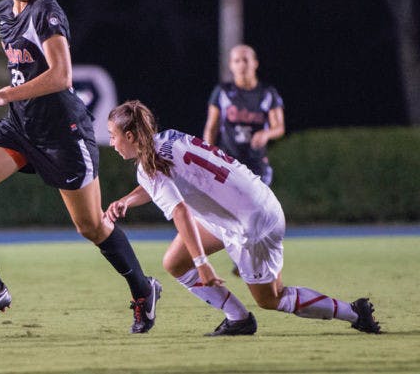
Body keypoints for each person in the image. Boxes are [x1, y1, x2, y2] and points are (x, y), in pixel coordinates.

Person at [0, 0, 161, 333]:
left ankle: (143, 288)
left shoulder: (46, 11)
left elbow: (61, 76)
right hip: (20, 127)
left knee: (91, 226)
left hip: (63, 132)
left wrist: (4, 94)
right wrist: (12, 101)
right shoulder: (3, 12)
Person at [105, 100, 380, 336]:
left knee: (271, 298)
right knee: (175, 262)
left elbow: (180, 211)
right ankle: (239, 320)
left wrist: (202, 263)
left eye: (113, 135)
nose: (111, 142)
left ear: (130, 136)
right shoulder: (167, 139)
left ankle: (355, 313)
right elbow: (170, 182)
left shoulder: (149, 168)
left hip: (251, 225)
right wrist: (128, 200)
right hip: (249, 204)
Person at [203, 44, 284, 186]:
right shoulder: (222, 91)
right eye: (237, 61)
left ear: (255, 63)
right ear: (231, 65)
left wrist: (266, 134)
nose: (241, 64)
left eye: (246, 60)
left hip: (256, 162)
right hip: (228, 161)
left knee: (258, 206)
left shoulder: (267, 93)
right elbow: (211, 127)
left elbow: (279, 128)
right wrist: (208, 156)